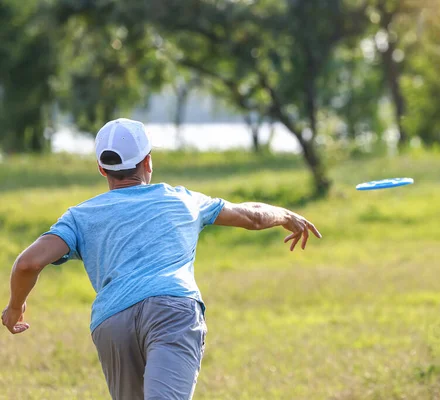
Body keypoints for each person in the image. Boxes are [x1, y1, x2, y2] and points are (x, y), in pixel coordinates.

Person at [1, 118, 322, 400]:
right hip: (172, 309)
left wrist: (16, 307)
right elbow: (250, 215)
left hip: (112, 323)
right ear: (148, 162)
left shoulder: (79, 217)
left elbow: (28, 263)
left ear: (102, 169)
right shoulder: (182, 200)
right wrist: (283, 214)